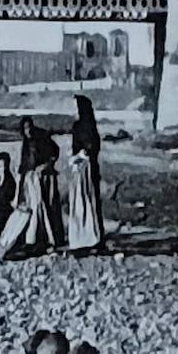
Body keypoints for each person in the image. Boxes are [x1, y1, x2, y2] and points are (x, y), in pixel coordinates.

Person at [0, 118, 63, 259]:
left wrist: (45, 166)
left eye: (29, 127)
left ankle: (43, 240)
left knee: (40, 209)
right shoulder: (26, 143)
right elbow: (24, 164)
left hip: (39, 179)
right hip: (28, 180)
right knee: (29, 211)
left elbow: (54, 152)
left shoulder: (41, 139)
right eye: (25, 129)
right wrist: (21, 185)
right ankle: (31, 240)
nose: (28, 131)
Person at [67, 96, 105, 255]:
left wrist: (82, 155)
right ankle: (79, 238)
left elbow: (92, 147)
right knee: (78, 202)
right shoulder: (77, 126)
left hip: (87, 168)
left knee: (88, 201)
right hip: (78, 168)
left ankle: (92, 238)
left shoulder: (88, 126)